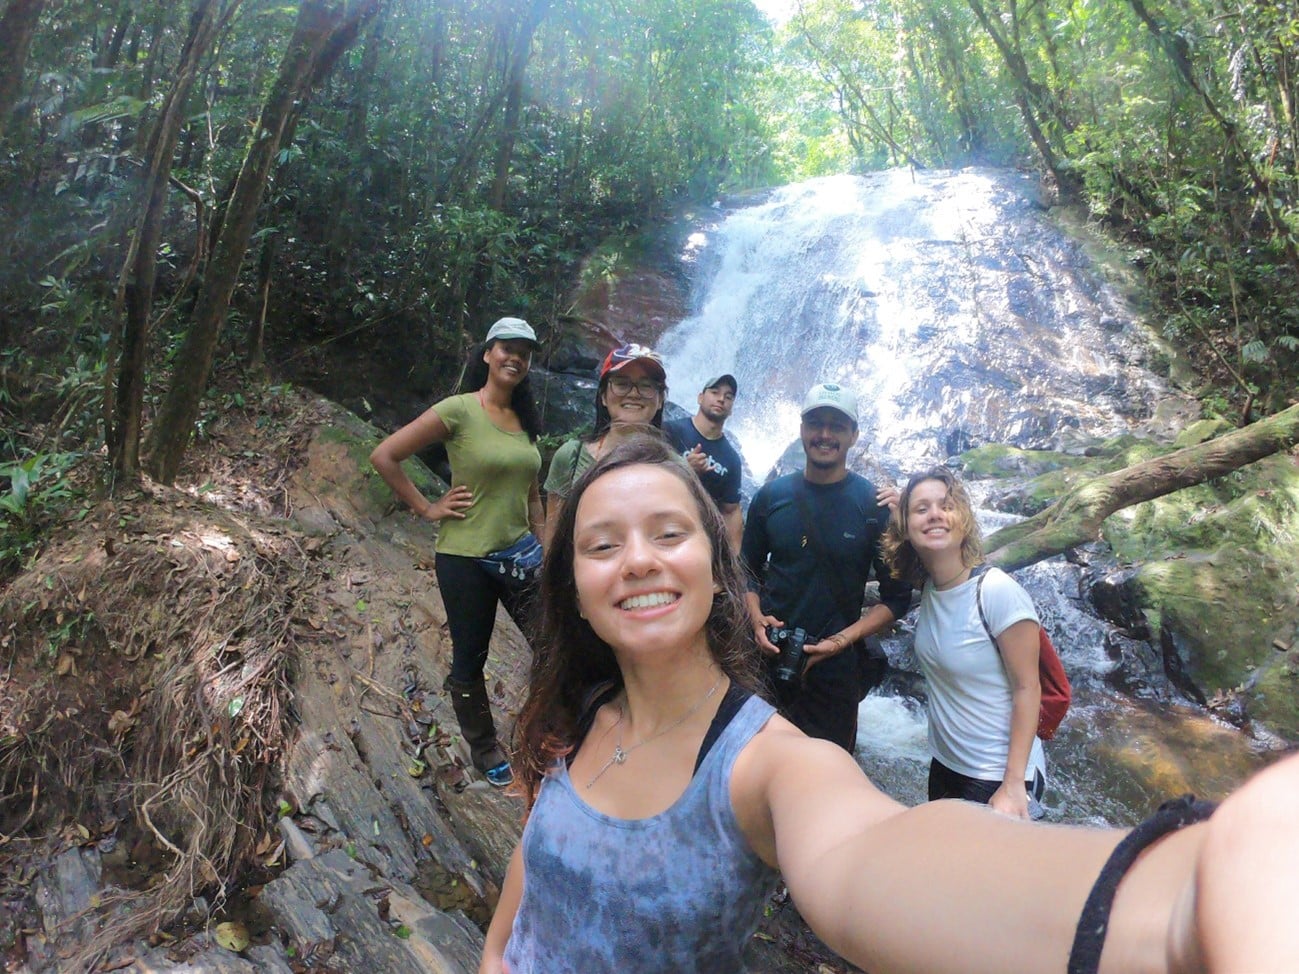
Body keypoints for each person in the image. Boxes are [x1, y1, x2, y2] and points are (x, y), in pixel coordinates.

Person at [480, 434, 1299, 974]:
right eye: (601, 544)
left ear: (717, 568)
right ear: (574, 589)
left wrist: (1183, 905)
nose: (635, 561)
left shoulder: (766, 767)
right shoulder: (579, 712)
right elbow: (530, 889)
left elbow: (871, 851)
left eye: (667, 533)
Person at [370, 317, 543, 788]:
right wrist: (427, 506)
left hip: (522, 556)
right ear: (487, 354)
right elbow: (385, 455)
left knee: (552, 647)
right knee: (471, 657)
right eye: (507, 347)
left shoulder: (526, 421)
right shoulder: (460, 410)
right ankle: (484, 746)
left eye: (524, 352)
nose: (515, 357)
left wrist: (544, 544)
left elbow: (531, 495)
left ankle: (549, 731)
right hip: (465, 558)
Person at [740, 382, 910, 752]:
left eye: (837, 426)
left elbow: (897, 598)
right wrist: (755, 619)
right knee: (757, 764)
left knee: (829, 771)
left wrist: (841, 641)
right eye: (816, 423)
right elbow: (746, 571)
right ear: (802, 429)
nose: (825, 434)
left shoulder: (872, 505)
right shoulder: (771, 497)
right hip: (769, 657)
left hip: (835, 669)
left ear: (853, 435)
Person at [881, 467, 1048, 819]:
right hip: (945, 765)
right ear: (907, 528)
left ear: (964, 520)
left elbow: (1028, 688)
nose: (935, 515)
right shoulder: (930, 587)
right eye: (921, 509)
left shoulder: (996, 590)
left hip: (997, 775)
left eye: (946, 506)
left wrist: (1013, 784)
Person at [542, 343, 667, 548]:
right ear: (603, 396)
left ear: (660, 400)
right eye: (621, 383)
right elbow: (553, 542)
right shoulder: (570, 457)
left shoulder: (675, 468)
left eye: (646, 385)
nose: (634, 393)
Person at [664, 373, 744, 552]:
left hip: (699, 541)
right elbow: (647, 473)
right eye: (715, 392)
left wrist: (733, 561)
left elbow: (731, 511)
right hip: (661, 528)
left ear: (731, 408)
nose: (721, 399)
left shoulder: (731, 459)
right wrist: (684, 468)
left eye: (728, 396)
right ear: (700, 397)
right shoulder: (671, 431)